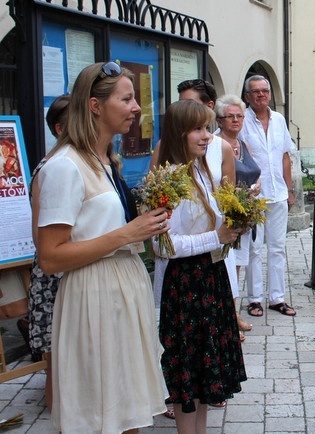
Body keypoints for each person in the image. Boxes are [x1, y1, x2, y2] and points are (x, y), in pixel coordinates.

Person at [36, 61, 169, 433]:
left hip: (121, 289)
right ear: (95, 106)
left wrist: (144, 226)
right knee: (100, 413)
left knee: (126, 410)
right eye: (126, 99)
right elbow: (49, 256)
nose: (136, 107)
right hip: (93, 295)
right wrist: (127, 234)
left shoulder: (105, 162)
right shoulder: (64, 167)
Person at [155, 99, 246, 433]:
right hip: (186, 285)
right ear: (179, 133)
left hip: (209, 279)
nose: (207, 136)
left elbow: (210, 226)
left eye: (207, 127)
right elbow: (161, 244)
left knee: (206, 375)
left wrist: (238, 220)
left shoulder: (199, 170)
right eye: (198, 129)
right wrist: (216, 237)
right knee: (187, 375)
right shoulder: (168, 179)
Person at [239, 75, 296, 317]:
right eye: (256, 91)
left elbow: (285, 156)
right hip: (254, 195)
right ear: (247, 97)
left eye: (265, 90)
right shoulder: (241, 122)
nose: (261, 94)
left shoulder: (279, 119)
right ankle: (254, 299)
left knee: (277, 248)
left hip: (278, 194)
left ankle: (277, 298)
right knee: (253, 248)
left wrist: (289, 189)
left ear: (270, 94)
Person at [26, 94, 69, 410]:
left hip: (65, 271)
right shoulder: (52, 167)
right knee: (57, 359)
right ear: (58, 128)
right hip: (55, 276)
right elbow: (42, 239)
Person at [215, 94, 262, 334]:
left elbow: (255, 172)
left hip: (244, 214)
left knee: (239, 266)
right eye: (230, 116)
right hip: (224, 216)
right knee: (225, 268)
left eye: (239, 116)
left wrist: (257, 187)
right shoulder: (214, 144)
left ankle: (233, 314)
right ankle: (226, 318)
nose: (235, 120)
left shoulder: (243, 144)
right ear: (219, 120)